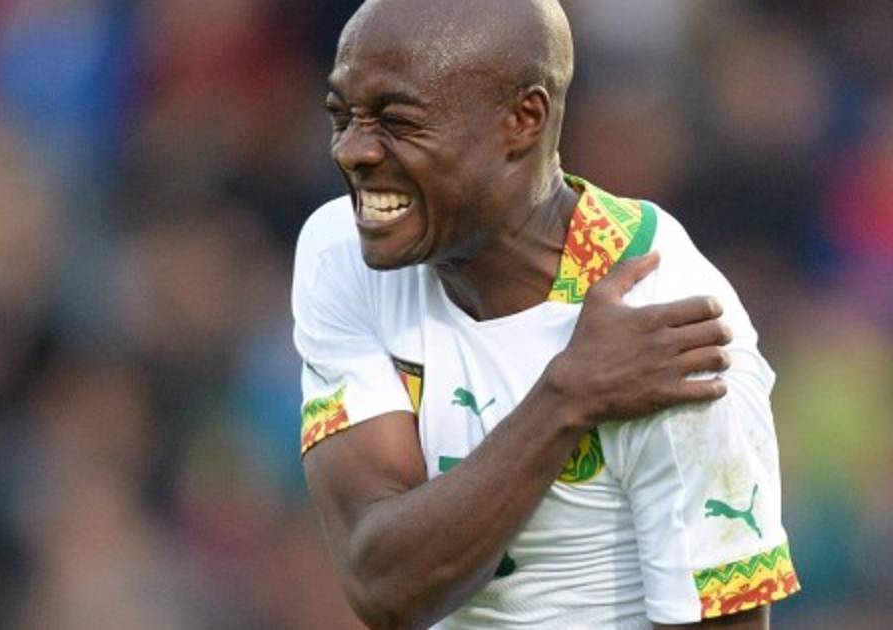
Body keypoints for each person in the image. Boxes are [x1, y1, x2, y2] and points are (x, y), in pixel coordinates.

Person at [291, 1, 799, 628]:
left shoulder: (669, 323)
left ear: (523, 119)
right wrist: (566, 398)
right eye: (342, 115)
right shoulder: (341, 251)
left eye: (397, 121)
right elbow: (383, 585)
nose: (352, 150)